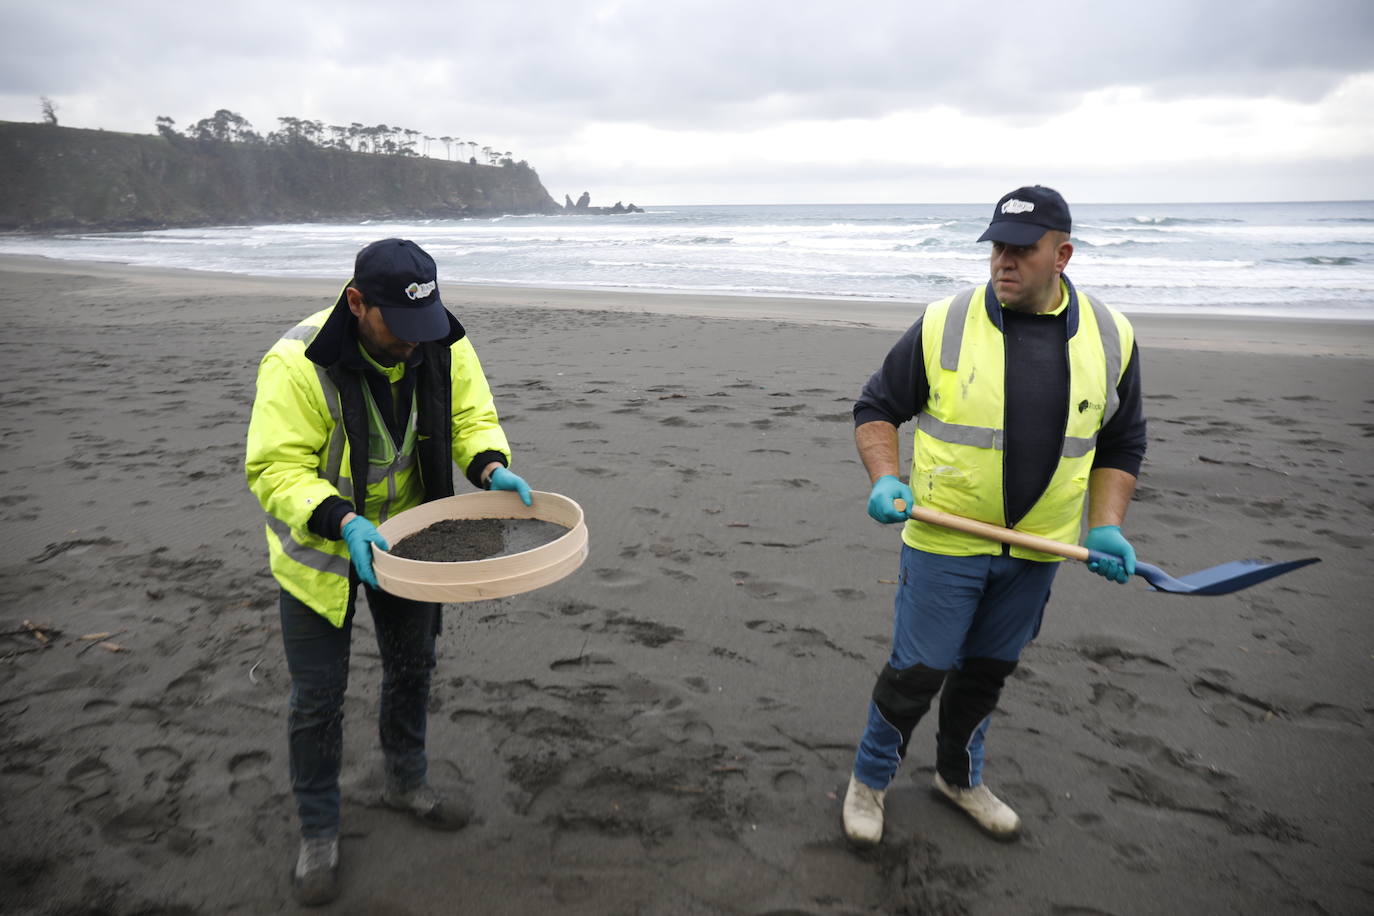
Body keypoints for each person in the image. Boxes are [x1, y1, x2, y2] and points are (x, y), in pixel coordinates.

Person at [841, 186, 1146, 846]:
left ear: (1061, 254)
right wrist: (885, 477)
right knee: (918, 671)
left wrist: (1108, 523)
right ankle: (868, 782)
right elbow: (875, 408)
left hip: (1039, 551)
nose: (1003, 261)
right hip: (945, 540)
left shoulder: (1112, 337)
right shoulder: (944, 323)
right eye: (996, 247)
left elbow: (1122, 442)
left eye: (1021, 249)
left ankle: (958, 777)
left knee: (986, 671)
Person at [245, 238, 534, 905]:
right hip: (322, 551)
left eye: (422, 327)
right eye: (398, 329)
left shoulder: (438, 338)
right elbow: (275, 468)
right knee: (317, 700)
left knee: (413, 667)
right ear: (357, 303)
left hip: (412, 547)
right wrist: (343, 522)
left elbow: (471, 415)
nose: (413, 343)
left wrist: (489, 463)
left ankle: (407, 780)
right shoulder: (296, 362)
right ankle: (319, 829)